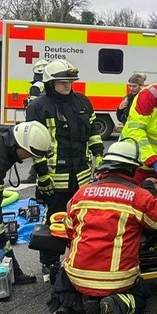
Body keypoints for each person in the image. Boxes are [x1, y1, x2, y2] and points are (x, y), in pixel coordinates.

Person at [50, 138, 157, 314]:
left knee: (68, 268)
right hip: (117, 280)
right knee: (142, 295)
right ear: (132, 169)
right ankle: (118, 304)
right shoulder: (138, 197)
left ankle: (71, 302)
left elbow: (70, 231)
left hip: (76, 275)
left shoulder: (81, 193)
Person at [26, 59, 104, 284]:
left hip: (80, 176)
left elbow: (92, 132)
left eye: (70, 81)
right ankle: (50, 263)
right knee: (54, 221)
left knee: (82, 220)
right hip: (53, 177)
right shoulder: (39, 107)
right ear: (51, 83)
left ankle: (79, 259)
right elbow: (34, 144)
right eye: (63, 82)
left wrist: (99, 156)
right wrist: (42, 176)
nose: (68, 85)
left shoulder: (82, 102)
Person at [0, 122, 54, 284]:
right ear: (21, 147)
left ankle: (11, 272)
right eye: (30, 154)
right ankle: (0, 271)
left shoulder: (6, 135)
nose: (29, 159)